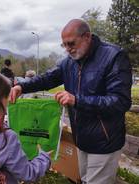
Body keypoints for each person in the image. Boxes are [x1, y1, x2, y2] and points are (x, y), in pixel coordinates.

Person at [10, 19, 132, 184]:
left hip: (105, 141)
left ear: (87, 37)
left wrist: (77, 100)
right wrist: (22, 87)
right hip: (81, 139)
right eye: (64, 45)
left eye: (71, 43)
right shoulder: (70, 61)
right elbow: (48, 78)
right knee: (83, 180)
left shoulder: (113, 56)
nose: (67, 49)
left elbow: (120, 101)